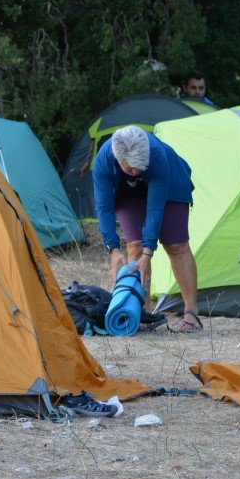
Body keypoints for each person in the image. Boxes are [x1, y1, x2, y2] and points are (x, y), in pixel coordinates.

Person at [93, 126, 203, 333]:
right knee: (133, 245)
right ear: (117, 157)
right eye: (131, 168)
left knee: (176, 244)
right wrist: (113, 250)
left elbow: (155, 208)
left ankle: (191, 314)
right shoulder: (104, 160)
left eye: (139, 167)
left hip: (169, 182)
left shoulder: (156, 155)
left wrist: (149, 251)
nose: (137, 172)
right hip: (126, 189)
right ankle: (140, 312)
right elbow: (104, 207)